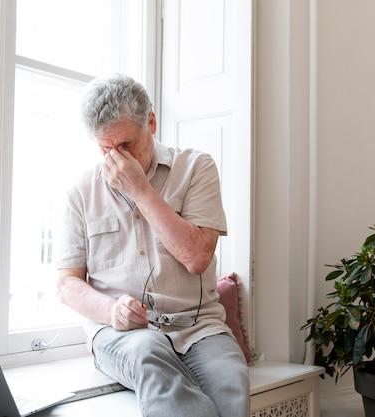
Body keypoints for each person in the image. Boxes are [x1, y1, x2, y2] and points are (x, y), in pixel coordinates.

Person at [56, 73, 249, 417]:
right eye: (105, 148)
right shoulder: (81, 192)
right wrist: (112, 311)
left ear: (152, 122)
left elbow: (197, 257)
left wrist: (141, 190)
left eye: (126, 145)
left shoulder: (196, 167)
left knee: (230, 383)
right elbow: (67, 283)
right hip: (122, 333)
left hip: (198, 327)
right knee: (148, 353)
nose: (117, 158)